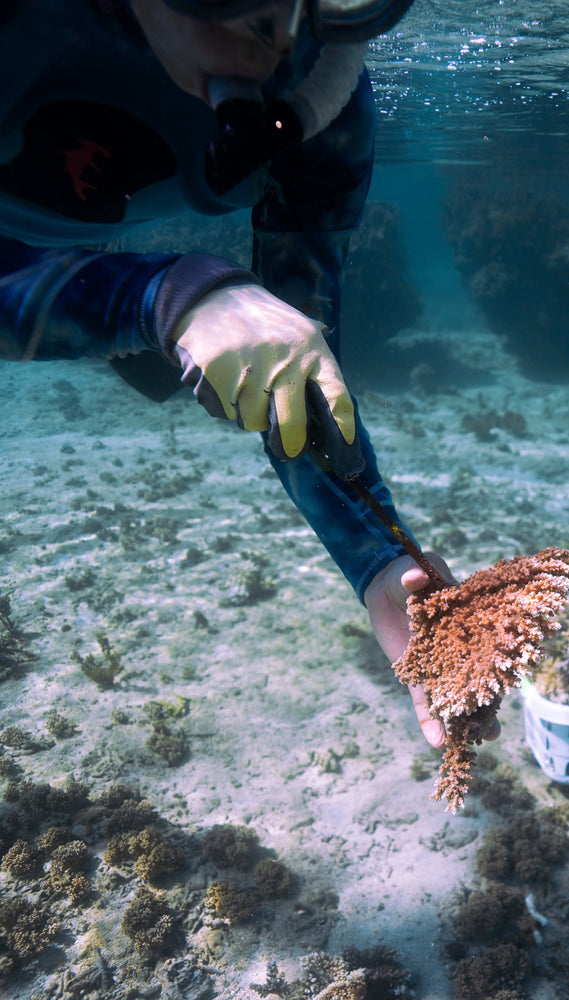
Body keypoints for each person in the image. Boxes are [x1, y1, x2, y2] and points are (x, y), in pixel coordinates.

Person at [0, 0, 471, 749]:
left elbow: (302, 382)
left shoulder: (321, 95)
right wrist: (168, 297)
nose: (279, 32)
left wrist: (377, 561)